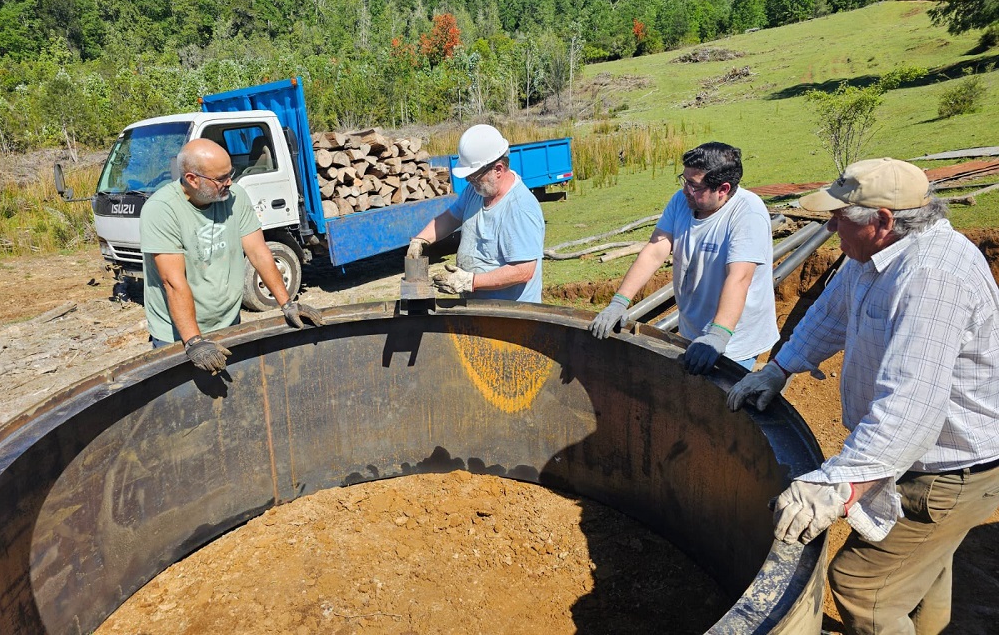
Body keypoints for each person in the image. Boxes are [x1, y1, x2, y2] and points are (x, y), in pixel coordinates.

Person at [727, 157, 999, 635]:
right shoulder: (875, 256)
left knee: (862, 586)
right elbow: (831, 313)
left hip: (949, 468)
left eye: (840, 219)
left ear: (883, 220)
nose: (831, 227)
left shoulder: (930, 279)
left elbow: (910, 408)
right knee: (919, 570)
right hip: (927, 455)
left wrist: (839, 482)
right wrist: (780, 369)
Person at [589, 141, 778, 375]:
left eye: (694, 185)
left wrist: (718, 335)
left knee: (723, 406)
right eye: (685, 180)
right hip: (692, 328)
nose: (686, 189)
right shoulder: (681, 201)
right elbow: (655, 250)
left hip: (734, 338)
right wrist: (619, 301)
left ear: (723, 189)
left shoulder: (747, 214)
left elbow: (739, 278)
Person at [141, 139, 323, 374]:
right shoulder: (162, 210)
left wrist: (287, 303)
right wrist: (194, 342)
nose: (230, 182)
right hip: (178, 334)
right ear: (192, 179)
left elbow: (259, 253)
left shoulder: (234, 196)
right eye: (220, 178)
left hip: (228, 322)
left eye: (231, 174)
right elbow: (173, 282)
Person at [406, 124, 545, 303]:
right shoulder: (477, 191)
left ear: (498, 169)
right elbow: (450, 217)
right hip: (479, 306)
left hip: (510, 315)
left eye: (474, 176)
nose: (469, 181)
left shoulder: (520, 207)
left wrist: (470, 281)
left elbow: (523, 270)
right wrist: (420, 240)